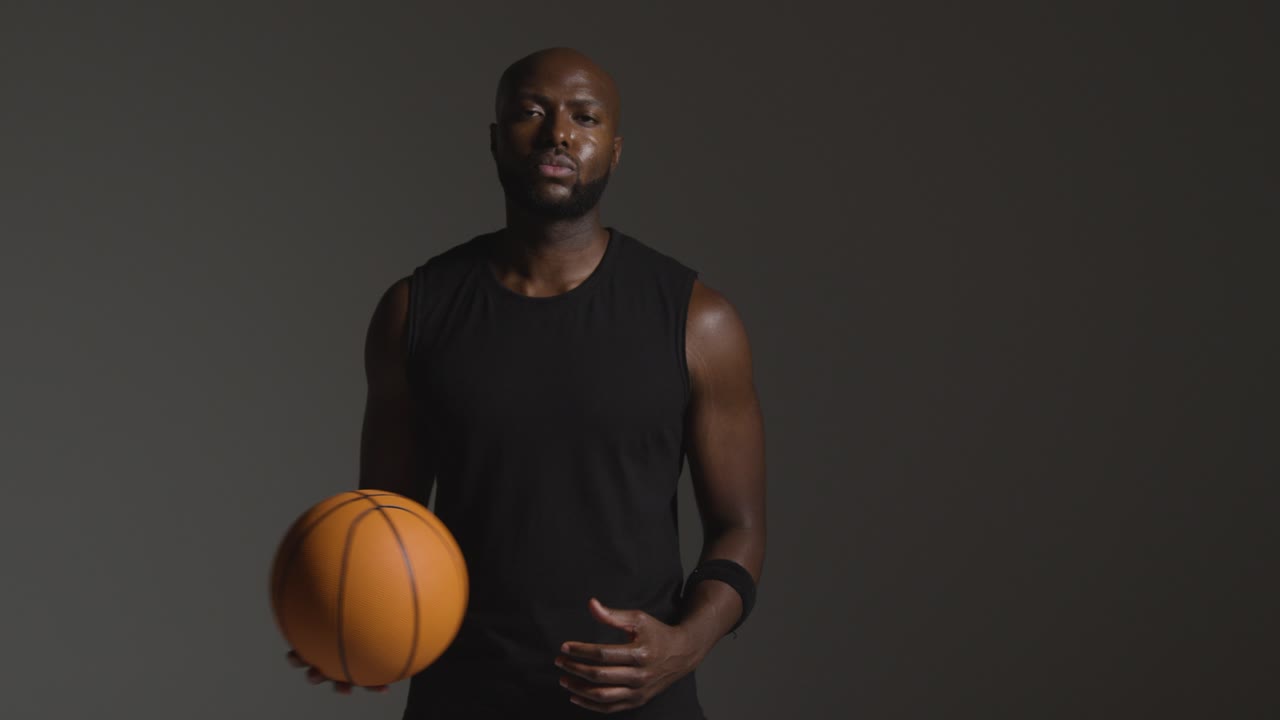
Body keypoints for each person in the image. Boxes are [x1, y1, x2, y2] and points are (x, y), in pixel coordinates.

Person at [287, 46, 766, 719]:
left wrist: (686, 643)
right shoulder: (415, 312)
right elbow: (380, 525)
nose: (558, 133)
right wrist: (349, 624)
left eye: (585, 117)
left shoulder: (697, 321)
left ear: (614, 149)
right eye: (531, 112)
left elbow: (740, 527)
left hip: (638, 703)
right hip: (464, 696)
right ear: (495, 139)